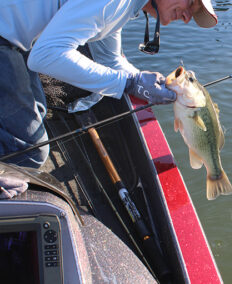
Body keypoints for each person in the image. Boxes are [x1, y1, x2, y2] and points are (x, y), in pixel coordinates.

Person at [0, 0, 217, 197]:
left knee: (36, 111)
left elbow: (109, 59)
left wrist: (138, 80)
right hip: (6, 40)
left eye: (193, 14)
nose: (187, 16)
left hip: (16, 40)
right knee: (28, 154)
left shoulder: (126, 5)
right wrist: (130, 83)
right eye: (190, 2)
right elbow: (45, 55)